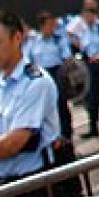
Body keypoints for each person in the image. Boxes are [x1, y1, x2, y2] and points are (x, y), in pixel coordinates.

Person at [0, 10, 73, 197]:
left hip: (38, 187)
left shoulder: (36, 82)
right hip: (5, 189)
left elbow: (13, 143)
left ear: (17, 38)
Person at [22, 11, 72, 141]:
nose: (52, 28)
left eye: (53, 24)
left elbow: (67, 57)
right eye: (49, 25)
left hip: (57, 72)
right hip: (41, 74)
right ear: (42, 26)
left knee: (61, 105)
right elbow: (27, 60)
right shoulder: (34, 41)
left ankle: (67, 134)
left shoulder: (58, 39)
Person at [67, 6, 99, 140]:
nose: (86, 19)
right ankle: (93, 128)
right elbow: (82, 46)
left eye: (88, 16)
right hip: (91, 64)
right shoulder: (85, 32)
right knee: (91, 97)